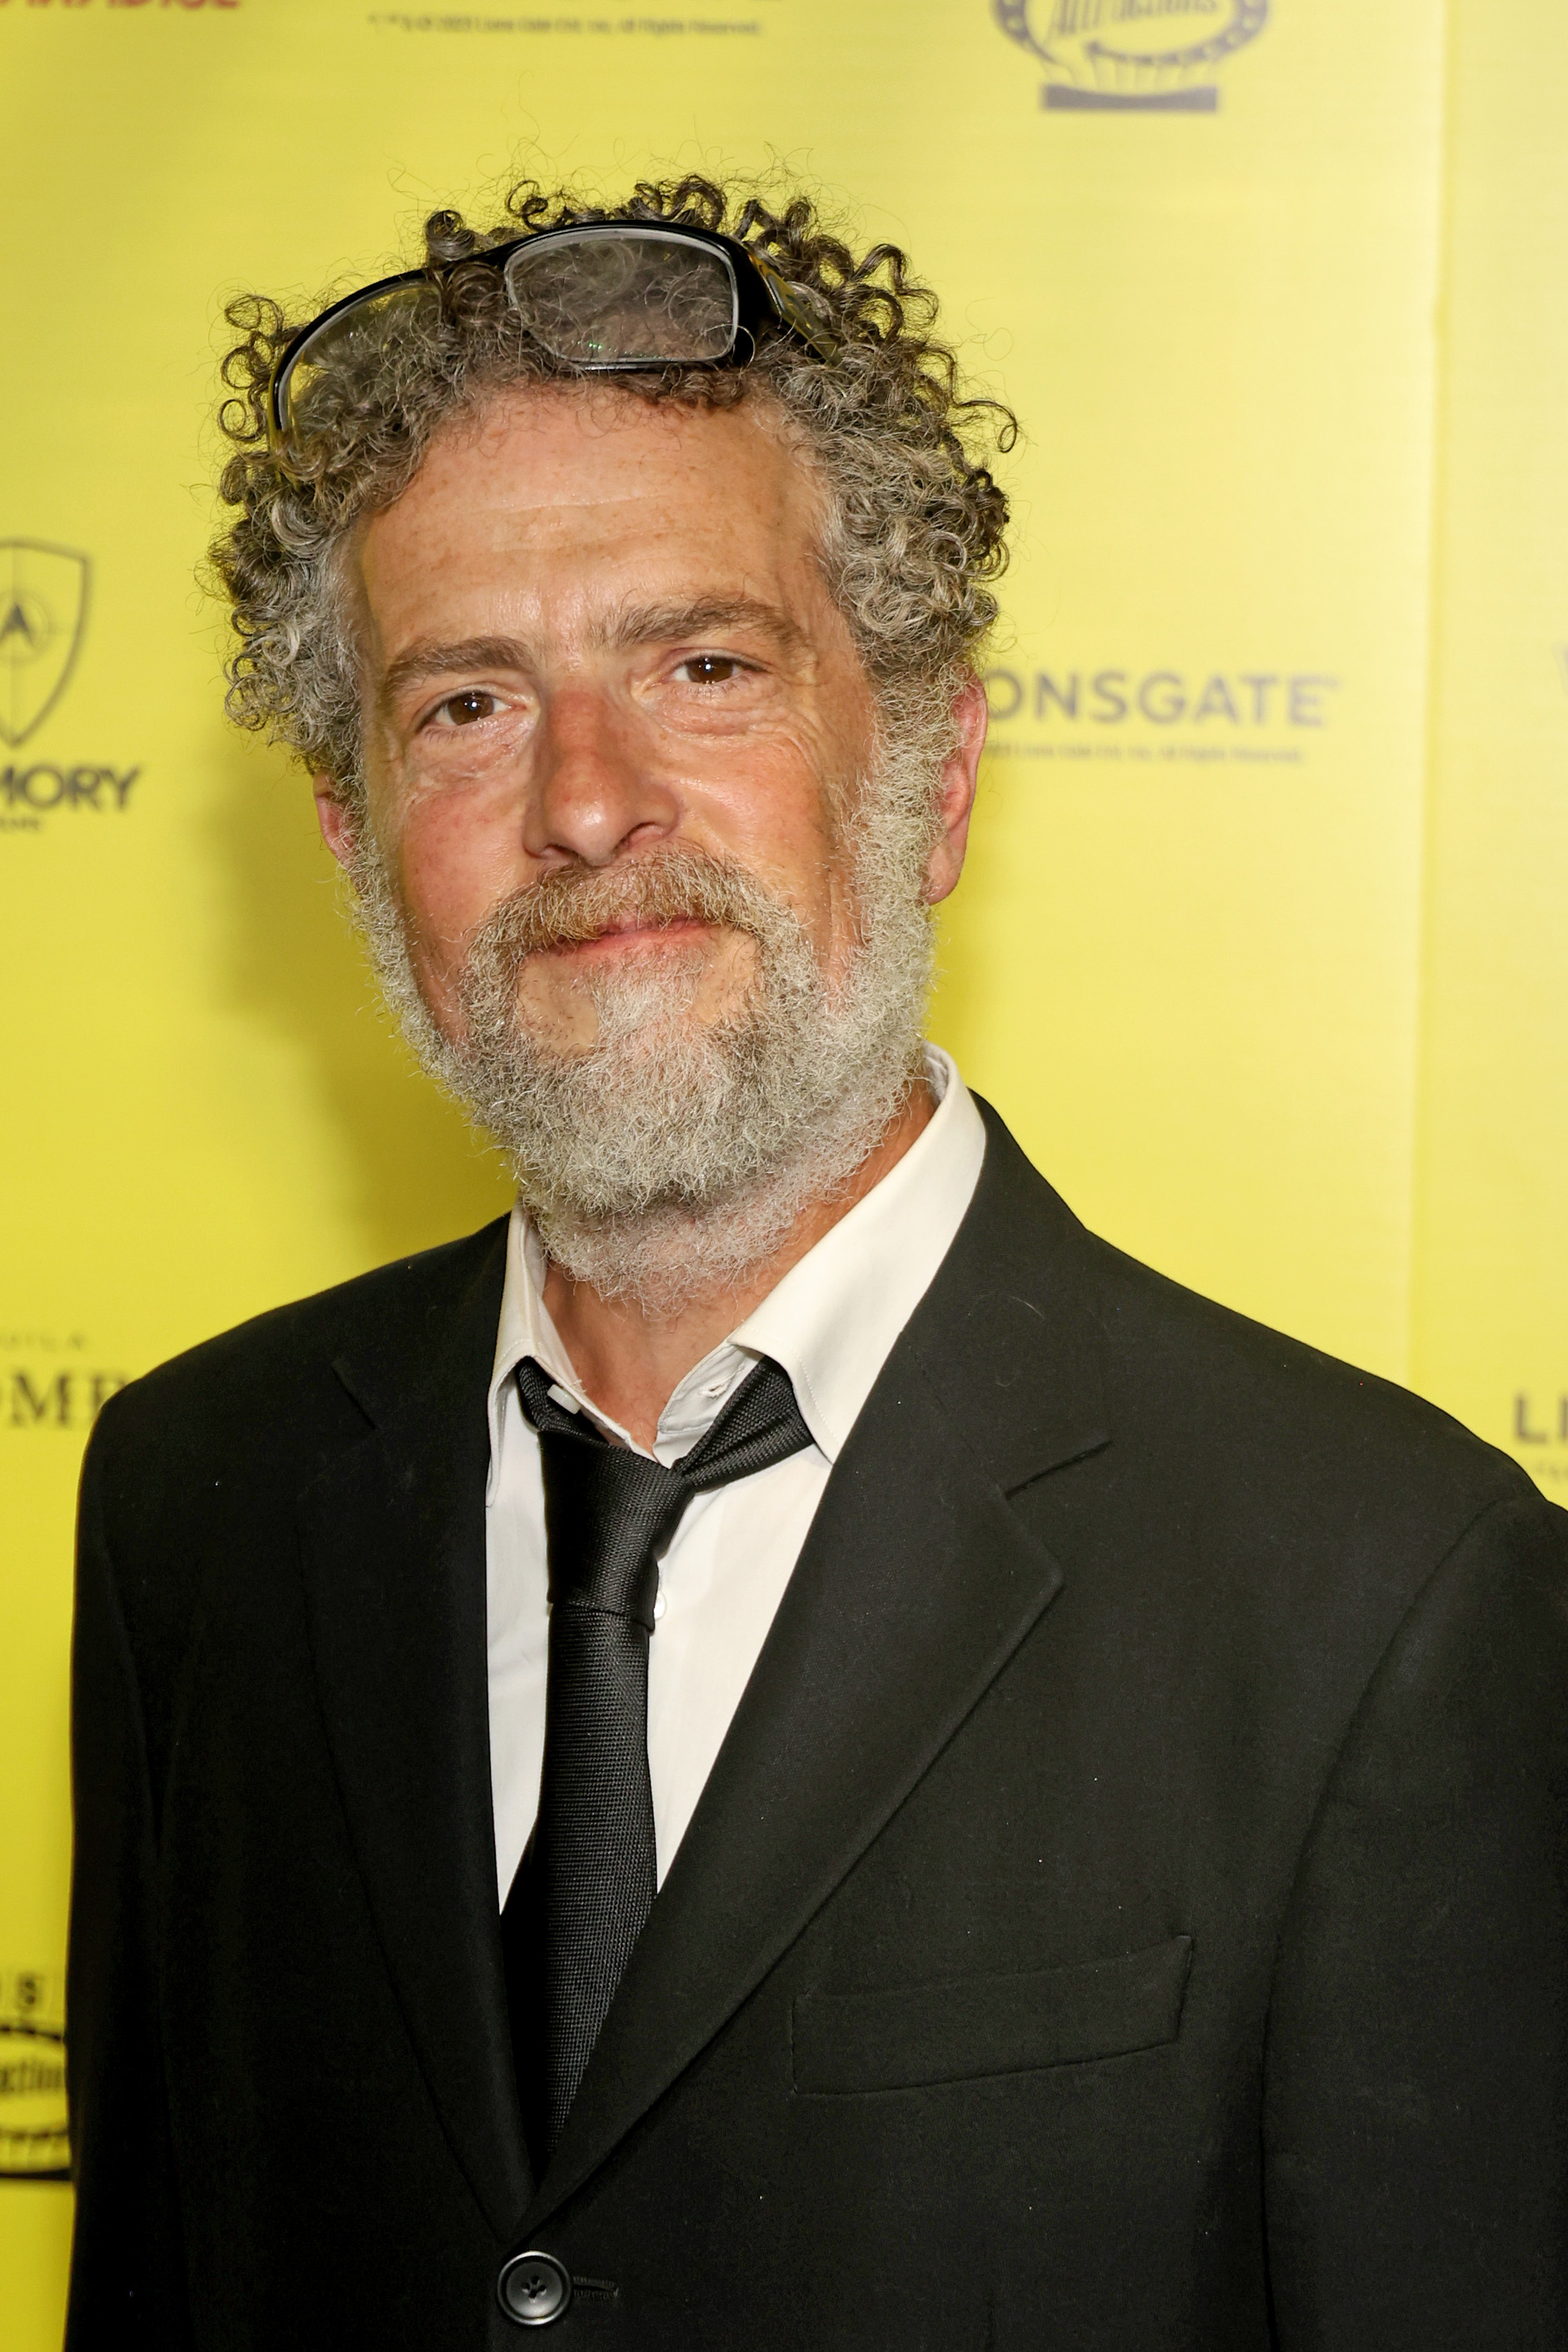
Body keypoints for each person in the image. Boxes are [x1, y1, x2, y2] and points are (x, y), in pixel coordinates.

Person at [66, 173, 1568, 2351]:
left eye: (700, 665)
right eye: (467, 705)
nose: (588, 803)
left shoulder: (1379, 1595)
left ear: (933, 775)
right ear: (354, 848)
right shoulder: (196, 1504)